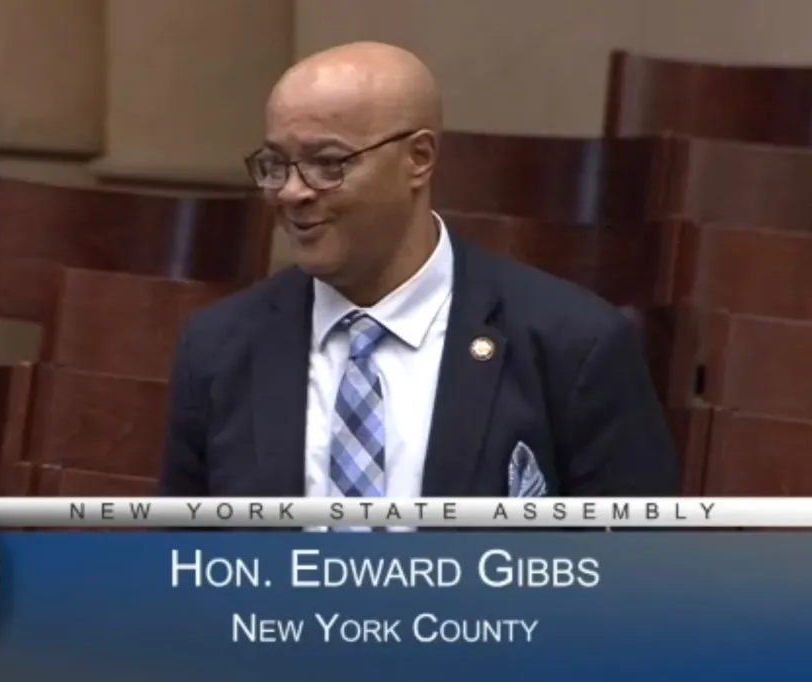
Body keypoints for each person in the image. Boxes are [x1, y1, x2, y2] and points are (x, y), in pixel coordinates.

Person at [159, 41, 679, 501]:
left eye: (328, 162)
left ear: (419, 159)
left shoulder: (572, 345)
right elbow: (184, 569)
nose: (293, 191)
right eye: (275, 164)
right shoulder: (220, 347)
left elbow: (635, 579)